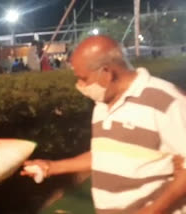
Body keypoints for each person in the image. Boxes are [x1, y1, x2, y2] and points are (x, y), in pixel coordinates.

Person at [22, 35, 186, 214]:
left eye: (83, 78)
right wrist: (52, 167)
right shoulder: (102, 103)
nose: (80, 85)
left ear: (107, 72)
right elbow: (105, 154)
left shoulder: (167, 101)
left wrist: (153, 211)